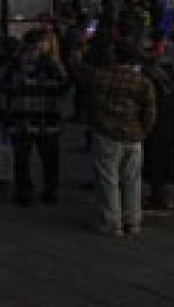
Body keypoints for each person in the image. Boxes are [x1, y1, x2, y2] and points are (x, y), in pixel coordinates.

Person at [71, 38, 157, 236]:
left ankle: (111, 220)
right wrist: (144, 130)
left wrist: (78, 50)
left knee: (107, 178)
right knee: (132, 178)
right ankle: (133, 219)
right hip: (134, 133)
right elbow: (150, 111)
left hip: (106, 132)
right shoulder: (142, 82)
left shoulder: (100, 76)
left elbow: (78, 69)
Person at [0, 29, 70, 206]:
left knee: (22, 158)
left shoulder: (14, 64)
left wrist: (6, 111)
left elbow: (3, 89)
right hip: (47, 119)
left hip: (20, 118)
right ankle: (50, 190)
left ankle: (23, 191)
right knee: (49, 158)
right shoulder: (52, 65)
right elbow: (63, 89)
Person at [140, 31, 174, 215]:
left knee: (154, 158)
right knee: (163, 158)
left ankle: (159, 198)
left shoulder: (150, 72)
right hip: (167, 120)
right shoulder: (168, 68)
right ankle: (161, 195)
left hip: (155, 121)